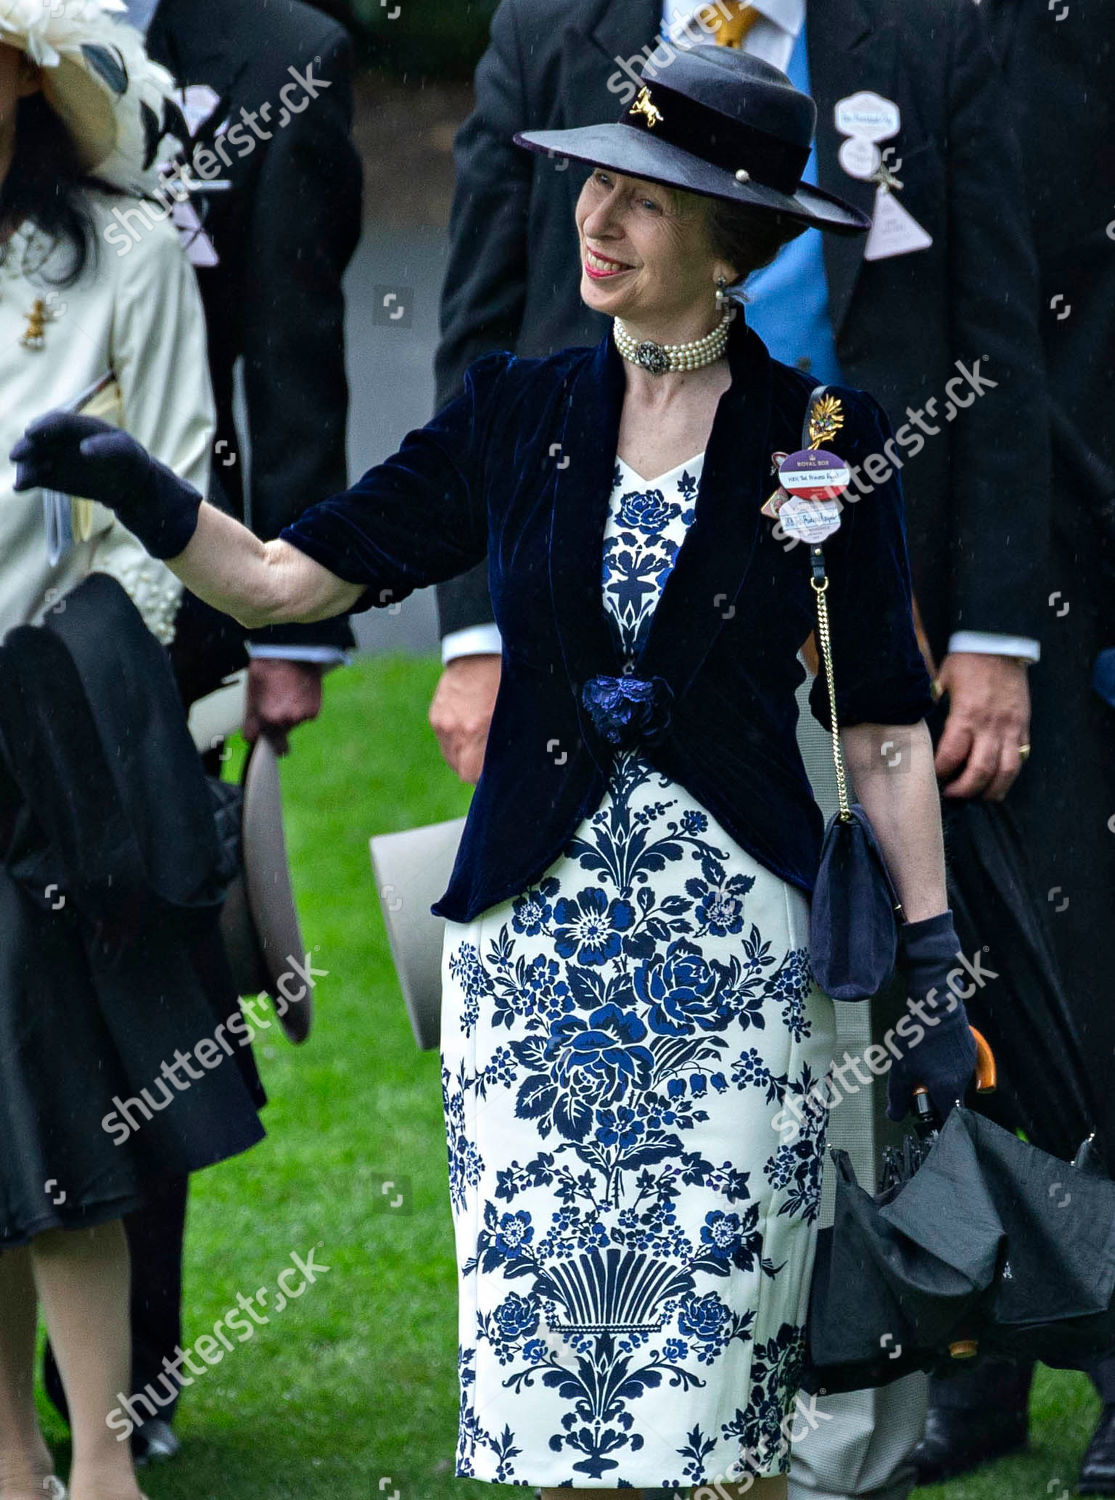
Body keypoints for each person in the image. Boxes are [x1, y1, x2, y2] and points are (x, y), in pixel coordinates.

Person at [15, 48, 984, 1497]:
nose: (597, 217)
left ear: (735, 239)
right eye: (596, 182)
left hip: (732, 962)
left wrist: (929, 950)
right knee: (566, 1390)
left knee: (722, 1370)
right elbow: (286, 578)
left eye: (644, 201)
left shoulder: (823, 444)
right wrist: (145, 493)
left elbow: (884, 731)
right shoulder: (515, 409)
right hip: (531, 967)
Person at [427, 5, 1049, 1497]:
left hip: (842, 608)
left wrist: (997, 633)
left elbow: (999, 344)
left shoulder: (934, 40)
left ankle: (830, 1412)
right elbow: (475, 321)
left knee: (827, 1050)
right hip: (587, 637)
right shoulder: (542, 30)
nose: (605, 211)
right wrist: (472, 634)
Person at [46, 0, 364, 1466]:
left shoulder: (277, 47)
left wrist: (288, 630)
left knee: (140, 995)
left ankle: (136, 1382)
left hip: (168, 605)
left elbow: (294, 343)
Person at [0, 8, 263, 1500]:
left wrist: (77, 689)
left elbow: (170, 505)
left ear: (28, 74)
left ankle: (103, 1460)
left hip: (55, 735)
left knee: (63, 1118)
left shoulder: (130, 253)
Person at [908, 3, 1115, 1492]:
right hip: (937, 560)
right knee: (943, 971)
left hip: (1082, 554)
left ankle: (1113, 1355)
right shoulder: (888, 31)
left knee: (1085, 975)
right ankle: (967, 1357)